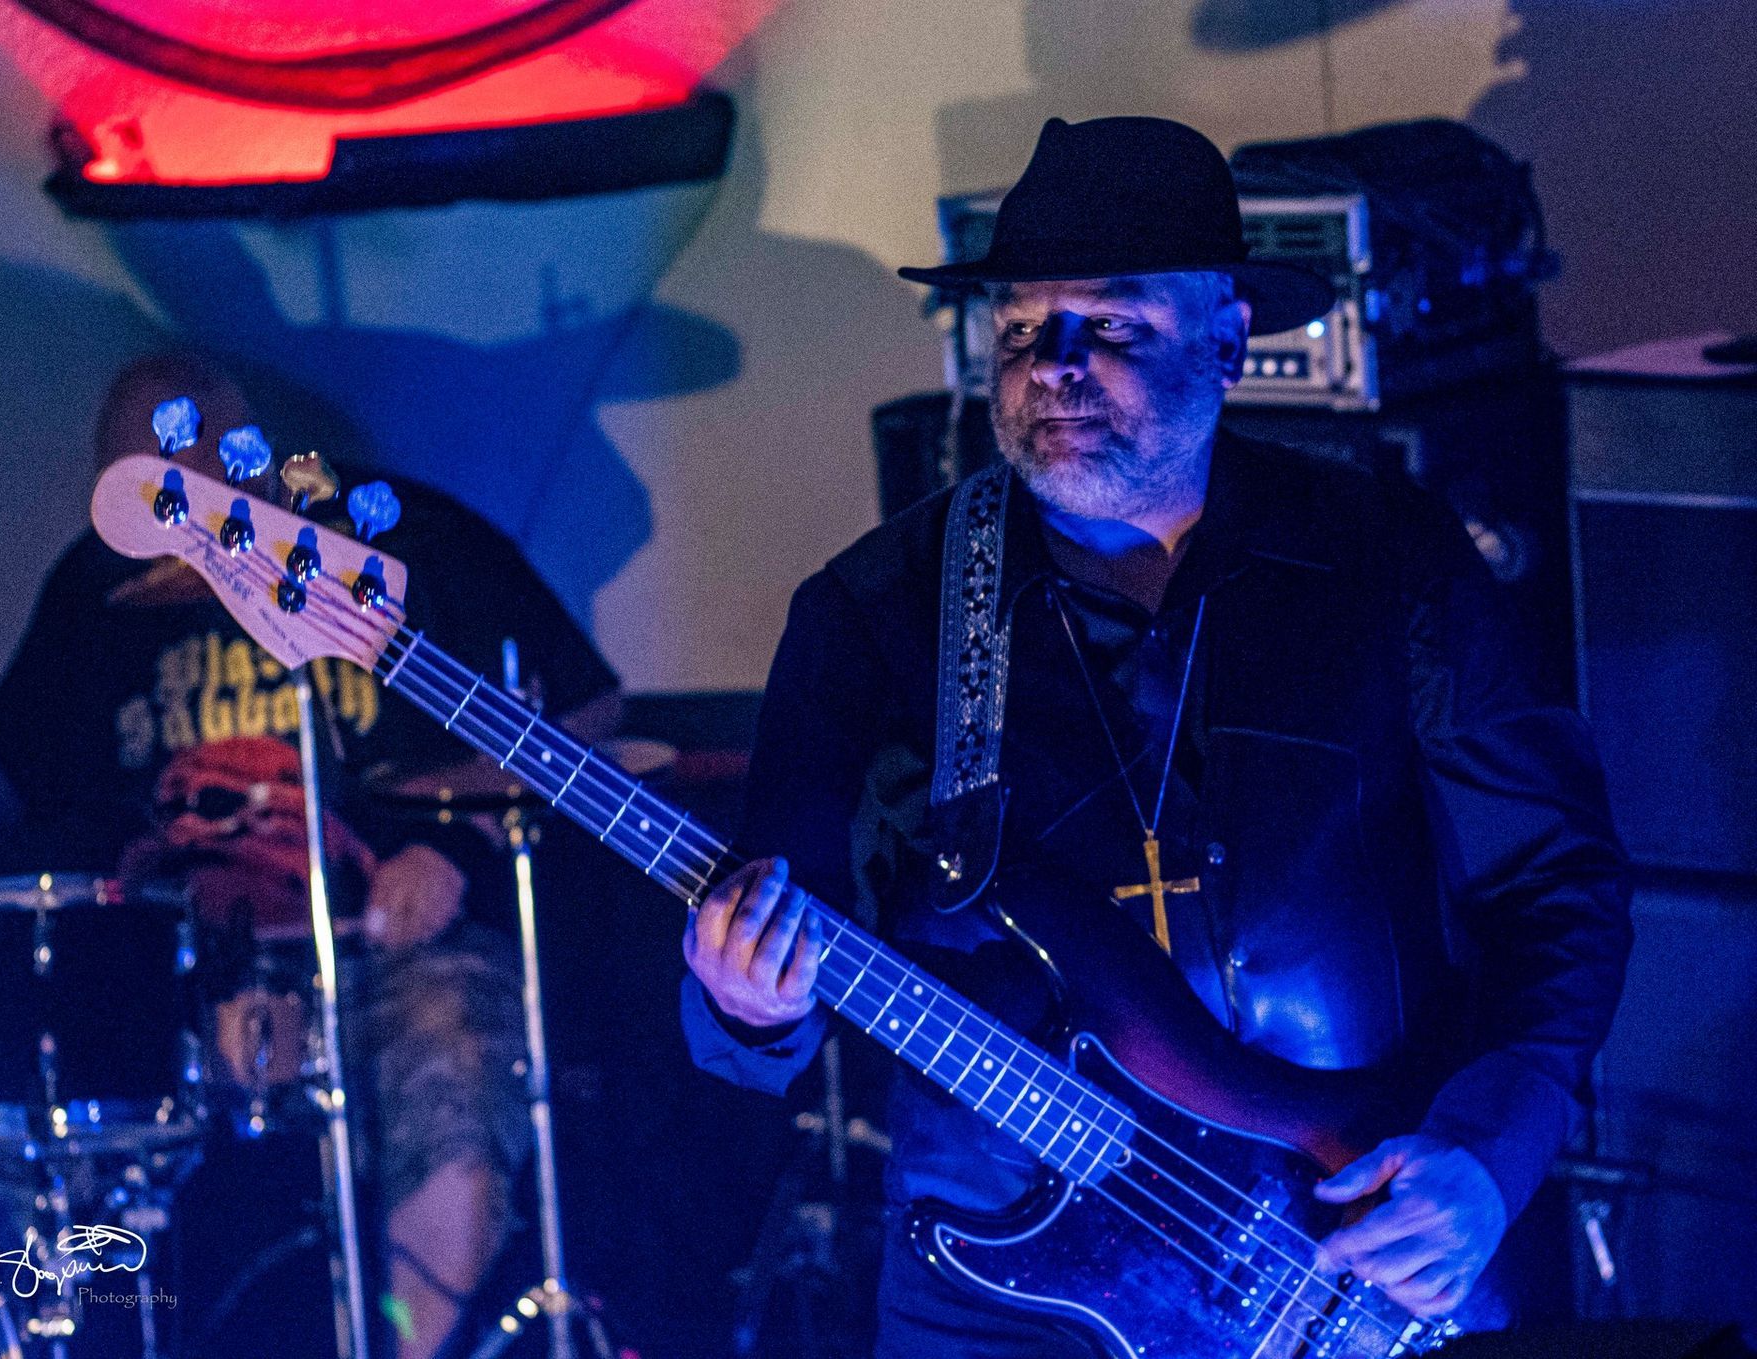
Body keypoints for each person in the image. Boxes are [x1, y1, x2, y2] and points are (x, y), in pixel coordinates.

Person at [680, 117, 1631, 1356]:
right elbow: (774, 979)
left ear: (1228, 338)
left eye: (1113, 328)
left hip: (1353, 1245)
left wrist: (1488, 1158)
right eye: (1022, 331)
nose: (1054, 366)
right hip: (1000, 1293)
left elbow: (1555, 883)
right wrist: (745, 998)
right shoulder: (879, 610)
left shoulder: (1387, 556)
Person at [0, 352, 622, 1359]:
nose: (150, 534)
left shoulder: (399, 538)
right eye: (126, 502)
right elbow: (12, 754)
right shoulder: (96, 587)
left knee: (456, 1071)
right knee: (12, 1113)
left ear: (241, 462)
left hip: (389, 949)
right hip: (176, 968)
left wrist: (453, 848)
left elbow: (587, 710)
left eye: (167, 497)